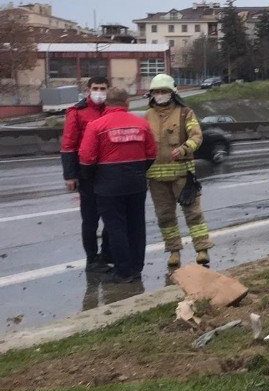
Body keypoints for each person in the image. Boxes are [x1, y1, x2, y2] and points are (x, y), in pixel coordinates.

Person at [78, 87, 157, 283]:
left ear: (106, 103)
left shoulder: (96, 126)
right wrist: (138, 171)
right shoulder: (142, 125)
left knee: (116, 227)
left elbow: (86, 158)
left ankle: (124, 271)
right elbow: (151, 153)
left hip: (108, 184)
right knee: (137, 226)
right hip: (136, 182)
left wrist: (92, 178)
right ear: (127, 103)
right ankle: (137, 267)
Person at [144, 74, 213, 268]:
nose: (160, 95)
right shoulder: (147, 116)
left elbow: (197, 137)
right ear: (151, 95)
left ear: (173, 93)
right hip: (156, 178)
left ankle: (202, 249)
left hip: (183, 175)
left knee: (193, 213)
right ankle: (174, 251)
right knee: (165, 216)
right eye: (157, 92)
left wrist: (184, 149)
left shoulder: (185, 113)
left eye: (164, 91)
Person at [61, 75, 112, 271]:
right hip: (86, 172)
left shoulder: (111, 110)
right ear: (88, 89)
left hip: (108, 170)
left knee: (110, 215)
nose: (99, 92)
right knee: (90, 219)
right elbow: (68, 145)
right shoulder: (77, 112)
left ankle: (107, 253)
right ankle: (92, 258)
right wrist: (70, 175)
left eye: (103, 88)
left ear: (108, 89)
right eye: (95, 88)